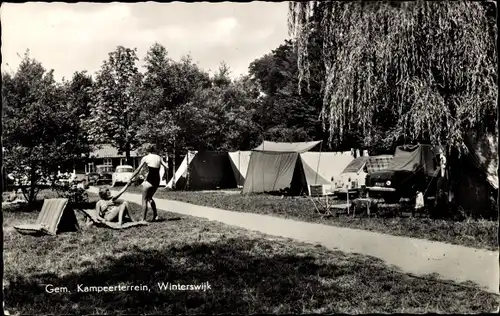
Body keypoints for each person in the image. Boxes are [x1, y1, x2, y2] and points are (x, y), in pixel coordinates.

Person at [126, 143, 169, 222]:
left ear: (146, 150)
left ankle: (143, 219)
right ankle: (155, 215)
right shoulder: (158, 157)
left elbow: (138, 170)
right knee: (149, 198)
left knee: (144, 199)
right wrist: (164, 176)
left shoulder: (145, 158)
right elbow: (167, 167)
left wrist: (131, 177)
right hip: (157, 180)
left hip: (149, 180)